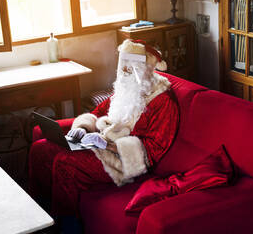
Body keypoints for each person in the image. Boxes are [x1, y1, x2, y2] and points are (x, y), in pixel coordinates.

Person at [29, 39, 179, 221]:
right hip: (103, 146)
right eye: (122, 65)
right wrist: (82, 129)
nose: (124, 71)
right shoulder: (125, 89)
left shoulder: (163, 101)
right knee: (40, 150)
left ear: (145, 68)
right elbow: (97, 113)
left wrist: (110, 146)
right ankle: (41, 217)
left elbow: (153, 151)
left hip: (129, 161)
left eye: (129, 67)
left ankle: (65, 226)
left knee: (65, 162)